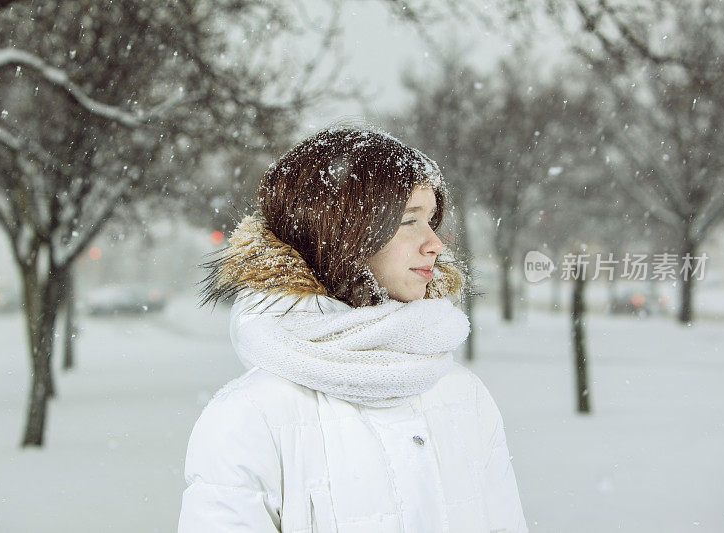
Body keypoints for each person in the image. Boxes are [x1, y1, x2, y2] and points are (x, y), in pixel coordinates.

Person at [178, 126, 528, 532]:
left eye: (431, 221)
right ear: (341, 234)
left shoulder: (463, 396)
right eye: (408, 221)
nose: (435, 244)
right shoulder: (250, 417)